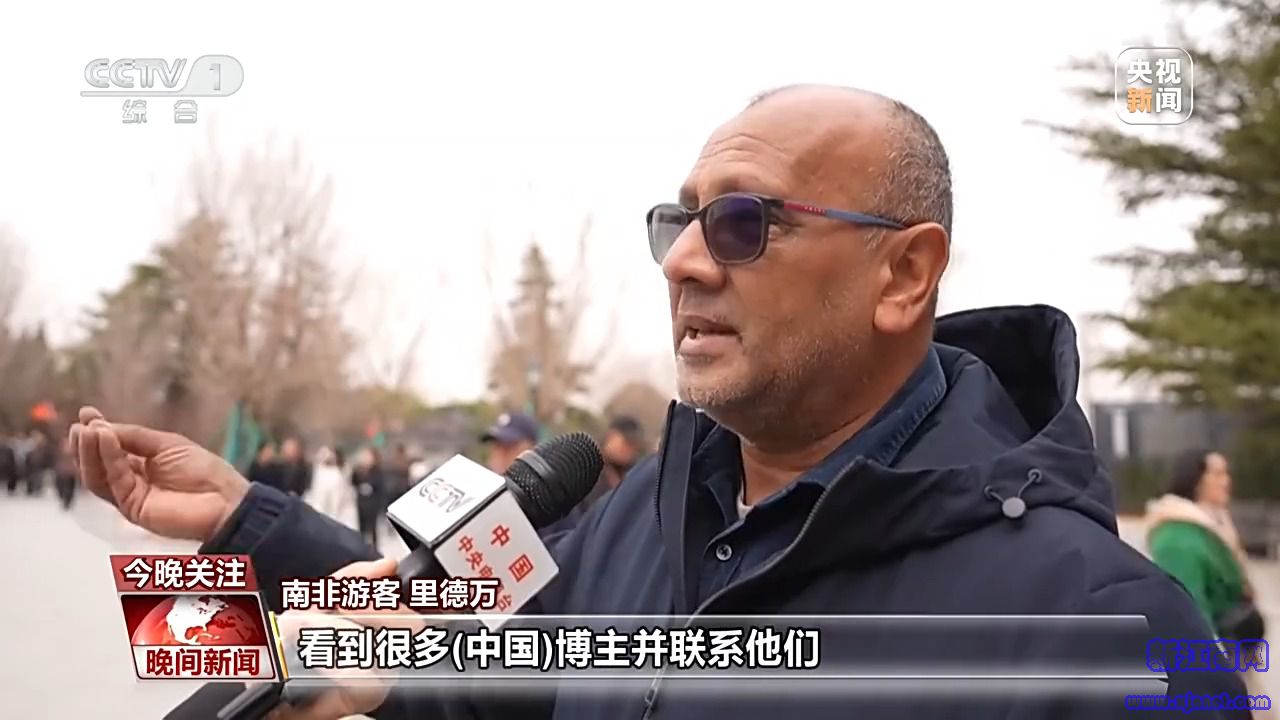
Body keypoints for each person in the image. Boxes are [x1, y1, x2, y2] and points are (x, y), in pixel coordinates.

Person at [69, 85, 1250, 719]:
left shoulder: (1115, 629)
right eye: (677, 221)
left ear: (903, 274)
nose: (684, 259)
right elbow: (458, 669)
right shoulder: (639, 518)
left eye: (742, 223)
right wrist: (248, 524)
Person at [1146, 450, 1273, 716]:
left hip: (1238, 653)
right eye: (1217, 473)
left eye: (1226, 473)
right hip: (1220, 657)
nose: (1226, 480)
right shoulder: (1177, 536)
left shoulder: (1211, 523)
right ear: (1194, 478)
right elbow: (1191, 610)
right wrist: (1215, 670)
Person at [305, 446, 357, 530]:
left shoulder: (341, 472)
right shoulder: (319, 472)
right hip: (322, 507)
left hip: (340, 511)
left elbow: (341, 493)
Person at [350, 447, 385, 551]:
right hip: (361, 502)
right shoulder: (359, 470)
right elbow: (353, 481)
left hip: (372, 503)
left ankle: (374, 548)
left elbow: (380, 484)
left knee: (372, 528)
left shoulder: (377, 470)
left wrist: (370, 486)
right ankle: (362, 547)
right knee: (362, 527)